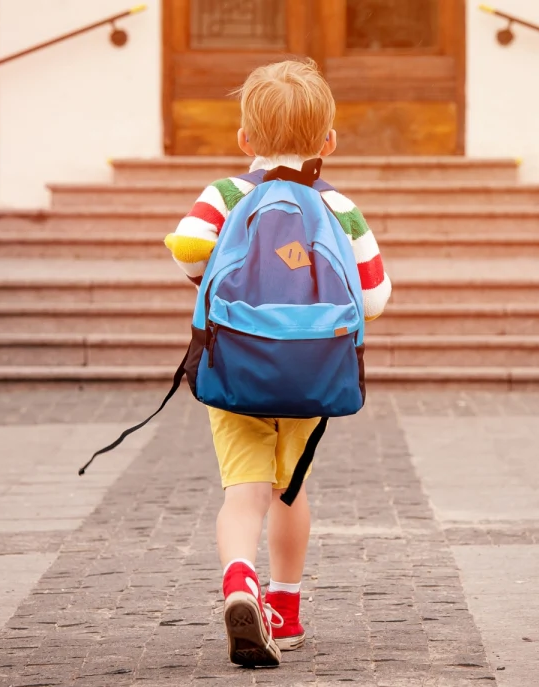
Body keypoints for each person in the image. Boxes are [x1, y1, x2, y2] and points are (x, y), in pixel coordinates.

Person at [163, 58, 392, 667]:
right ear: (329, 141)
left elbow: (187, 246)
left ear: (244, 140)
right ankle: (285, 611)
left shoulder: (227, 193)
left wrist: (208, 277)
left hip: (235, 366)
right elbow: (373, 296)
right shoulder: (338, 206)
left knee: (243, 492)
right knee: (290, 491)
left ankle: (240, 581)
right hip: (310, 373)